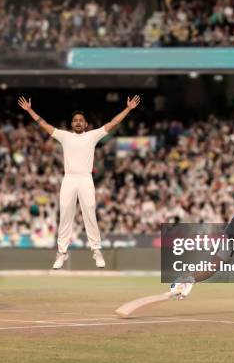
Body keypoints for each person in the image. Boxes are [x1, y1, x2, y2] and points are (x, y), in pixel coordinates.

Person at [18, 95, 141, 269]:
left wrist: (128, 109)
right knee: (66, 214)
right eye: (75, 120)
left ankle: (97, 251)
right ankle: (61, 253)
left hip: (85, 178)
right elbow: (44, 125)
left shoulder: (92, 135)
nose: (77, 122)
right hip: (69, 178)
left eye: (81, 120)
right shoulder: (64, 136)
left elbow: (113, 123)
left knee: (89, 212)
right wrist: (29, 110)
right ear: (71, 124)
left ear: (86, 124)